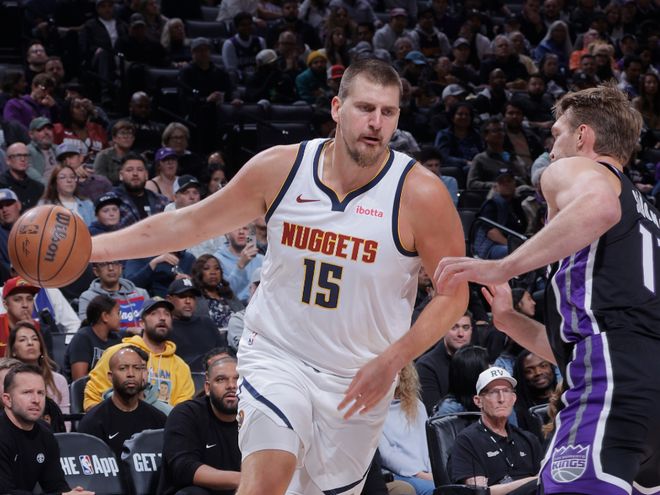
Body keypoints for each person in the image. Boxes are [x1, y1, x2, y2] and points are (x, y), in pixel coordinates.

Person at [90, 58, 468, 495]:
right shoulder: (282, 168)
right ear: (337, 108)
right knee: (268, 478)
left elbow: (453, 295)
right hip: (277, 352)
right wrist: (92, 249)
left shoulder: (420, 194)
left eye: (388, 112)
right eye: (366, 108)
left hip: (359, 376)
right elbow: (189, 223)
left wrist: (393, 360)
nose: (376, 122)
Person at [436, 83, 660, 494]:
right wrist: (507, 319)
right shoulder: (647, 214)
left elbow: (599, 206)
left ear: (582, 136)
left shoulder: (578, 170)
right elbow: (581, 346)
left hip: (613, 378)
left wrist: (500, 265)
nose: (552, 150)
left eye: (557, 134)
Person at [84, 297, 194, 411]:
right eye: (154, 313)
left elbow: (183, 411)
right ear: (142, 323)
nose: (162, 318)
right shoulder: (116, 353)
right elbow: (92, 397)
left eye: (167, 314)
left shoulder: (181, 367)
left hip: (164, 421)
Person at [0, 364, 94, 495]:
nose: (36, 400)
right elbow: (5, 492)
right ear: (7, 399)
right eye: (27, 392)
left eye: (40, 393)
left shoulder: (45, 433)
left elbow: (55, 486)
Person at [447, 367, 541, 494]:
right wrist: (533, 481)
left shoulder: (528, 439)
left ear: (513, 398)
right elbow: (479, 492)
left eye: (506, 391)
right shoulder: (467, 441)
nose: (501, 399)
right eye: (493, 392)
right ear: (478, 401)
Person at [158, 356, 241, 495]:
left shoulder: (254, 418)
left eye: (237, 379)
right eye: (221, 379)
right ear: (207, 388)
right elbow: (184, 468)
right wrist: (243, 479)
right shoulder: (186, 413)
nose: (232, 386)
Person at [77, 345, 167, 459]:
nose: (131, 374)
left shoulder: (159, 420)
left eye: (137, 368)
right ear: (110, 376)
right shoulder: (93, 422)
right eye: (123, 368)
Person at [379, 363, 434, 495]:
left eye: (398, 369)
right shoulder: (372, 411)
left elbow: (428, 445)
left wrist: (433, 472)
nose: (395, 373)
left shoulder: (417, 405)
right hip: (397, 473)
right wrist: (420, 474)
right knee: (432, 490)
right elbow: (386, 455)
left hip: (427, 472)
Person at [7, 321, 70, 415]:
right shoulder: (6, 380)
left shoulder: (59, 380)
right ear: (13, 350)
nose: (30, 343)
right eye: (22, 340)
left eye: (35, 339)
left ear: (41, 348)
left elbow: (65, 420)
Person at [166, 278, 227, 367]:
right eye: (182, 296)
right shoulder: (165, 328)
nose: (188, 301)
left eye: (192, 297)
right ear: (169, 299)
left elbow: (224, 355)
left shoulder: (207, 323)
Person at [77, 261, 149, 333]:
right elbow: (88, 329)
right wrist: (127, 331)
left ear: (120, 268)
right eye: (104, 264)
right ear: (96, 271)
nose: (111, 268)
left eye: (115, 263)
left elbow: (150, 322)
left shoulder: (141, 293)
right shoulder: (88, 297)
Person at [65, 294, 123, 381]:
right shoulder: (82, 338)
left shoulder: (116, 339)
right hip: (88, 388)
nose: (120, 318)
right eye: (118, 313)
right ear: (105, 316)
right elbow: (79, 380)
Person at [192, 254, 245, 330]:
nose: (213, 272)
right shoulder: (195, 298)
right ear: (199, 273)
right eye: (206, 268)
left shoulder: (228, 294)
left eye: (217, 268)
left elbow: (244, 316)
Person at [0, 142, 46, 212]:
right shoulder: (1, 185)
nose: (23, 159)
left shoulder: (38, 188)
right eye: (18, 155)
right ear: (8, 160)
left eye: (26, 155)